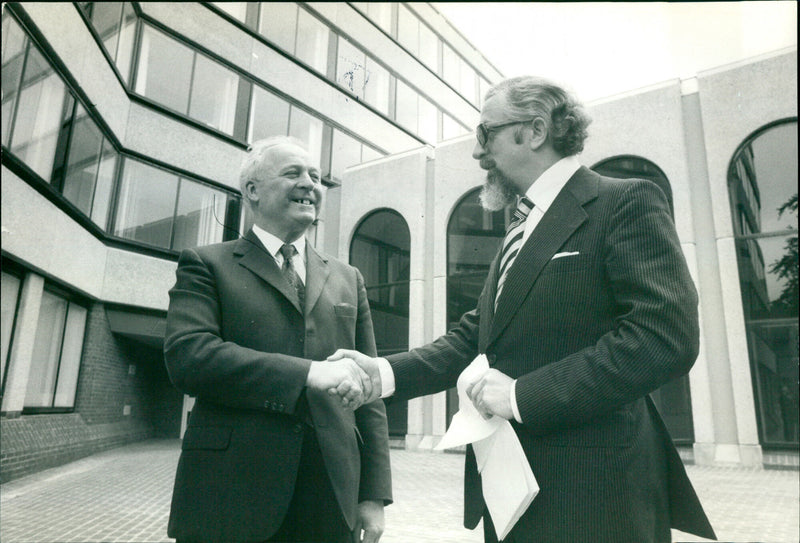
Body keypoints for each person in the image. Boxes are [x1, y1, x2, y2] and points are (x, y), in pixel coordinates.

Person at [329, 76, 716, 542]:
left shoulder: (624, 202)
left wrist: (520, 396)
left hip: (596, 497)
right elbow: (475, 338)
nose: (478, 151)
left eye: (485, 133)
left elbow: (664, 338)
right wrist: (382, 375)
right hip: (511, 495)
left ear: (535, 131)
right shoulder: (521, 224)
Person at [163, 136, 392, 543]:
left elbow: (369, 390)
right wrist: (308, 373)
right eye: (293, 173)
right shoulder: (206, 264)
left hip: (330, 495)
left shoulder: (348, 278)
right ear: (252, 190)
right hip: (229, 494)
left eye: (315, 176)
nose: (309, 184)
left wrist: (373, 495)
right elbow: (190, 358)